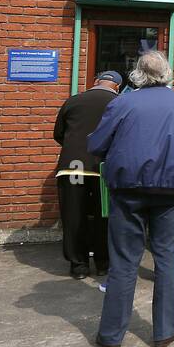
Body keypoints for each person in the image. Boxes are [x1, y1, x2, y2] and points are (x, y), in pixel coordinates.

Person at [89, 51, 174, 347]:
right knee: (168, 259)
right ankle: (165, 331)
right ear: (167, 74)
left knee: (124, 261)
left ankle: (111, 335)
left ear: (137, 75)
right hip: (172, 192)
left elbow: (96, 144)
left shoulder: (121, 103)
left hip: (127, 190)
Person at [52, 71, 121, 279]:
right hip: (103, 168)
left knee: (73, 216)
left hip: (72, 166)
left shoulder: (73, 101)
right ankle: (103, 263)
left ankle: (78, 265)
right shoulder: (119, 103)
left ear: (95, 82)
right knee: (104, 216)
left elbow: (58, 133)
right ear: (116, 87)